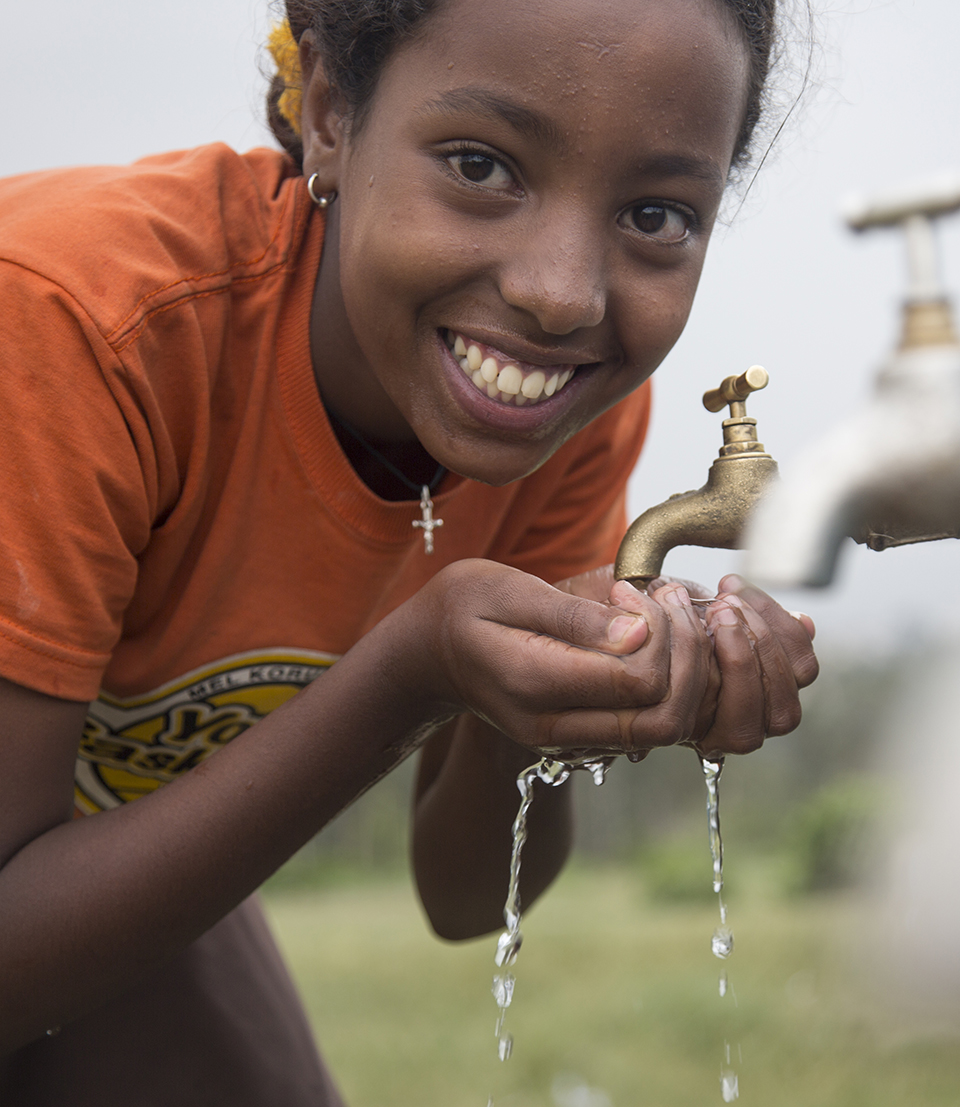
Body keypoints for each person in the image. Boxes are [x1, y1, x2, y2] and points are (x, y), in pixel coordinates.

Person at [0, 0, 818, 1101]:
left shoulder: (561, 420)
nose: (559, 293)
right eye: (482, 165)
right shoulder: (75, 325)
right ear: (332, 112)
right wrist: (410, 671)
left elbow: (467, 897)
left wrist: (555, 694)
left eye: (657, 216)